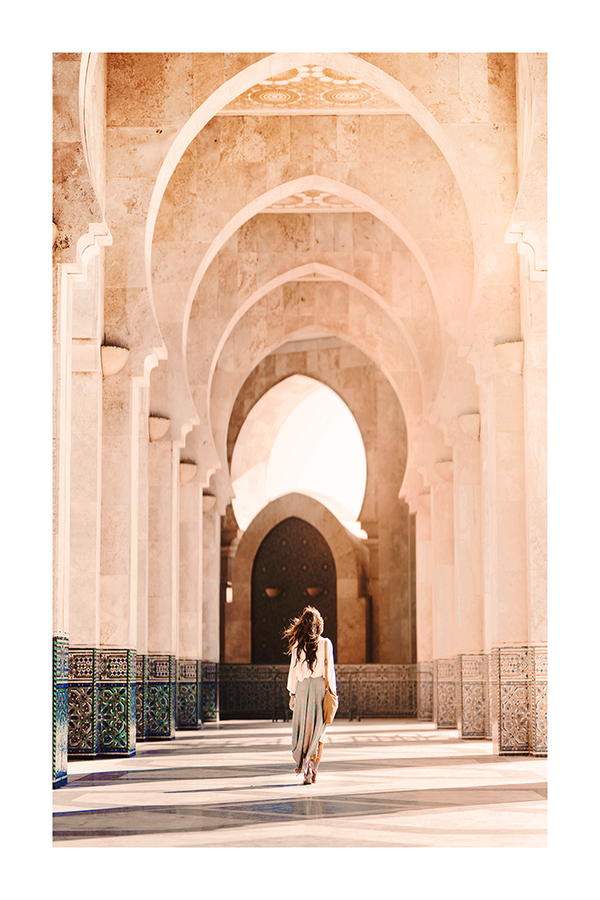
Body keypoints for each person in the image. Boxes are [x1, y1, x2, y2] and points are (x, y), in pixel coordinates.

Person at [284, 606, 337, 785]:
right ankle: (313, 770)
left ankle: (305, 768)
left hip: (302, 690)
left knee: (303, 732)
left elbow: (293, 672)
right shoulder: (326, 644)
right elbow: (330, 672)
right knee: (318, 733)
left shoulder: (297, 646)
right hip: (320, 691)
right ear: (319, 625)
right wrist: (333, 693)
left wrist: (292, 694)